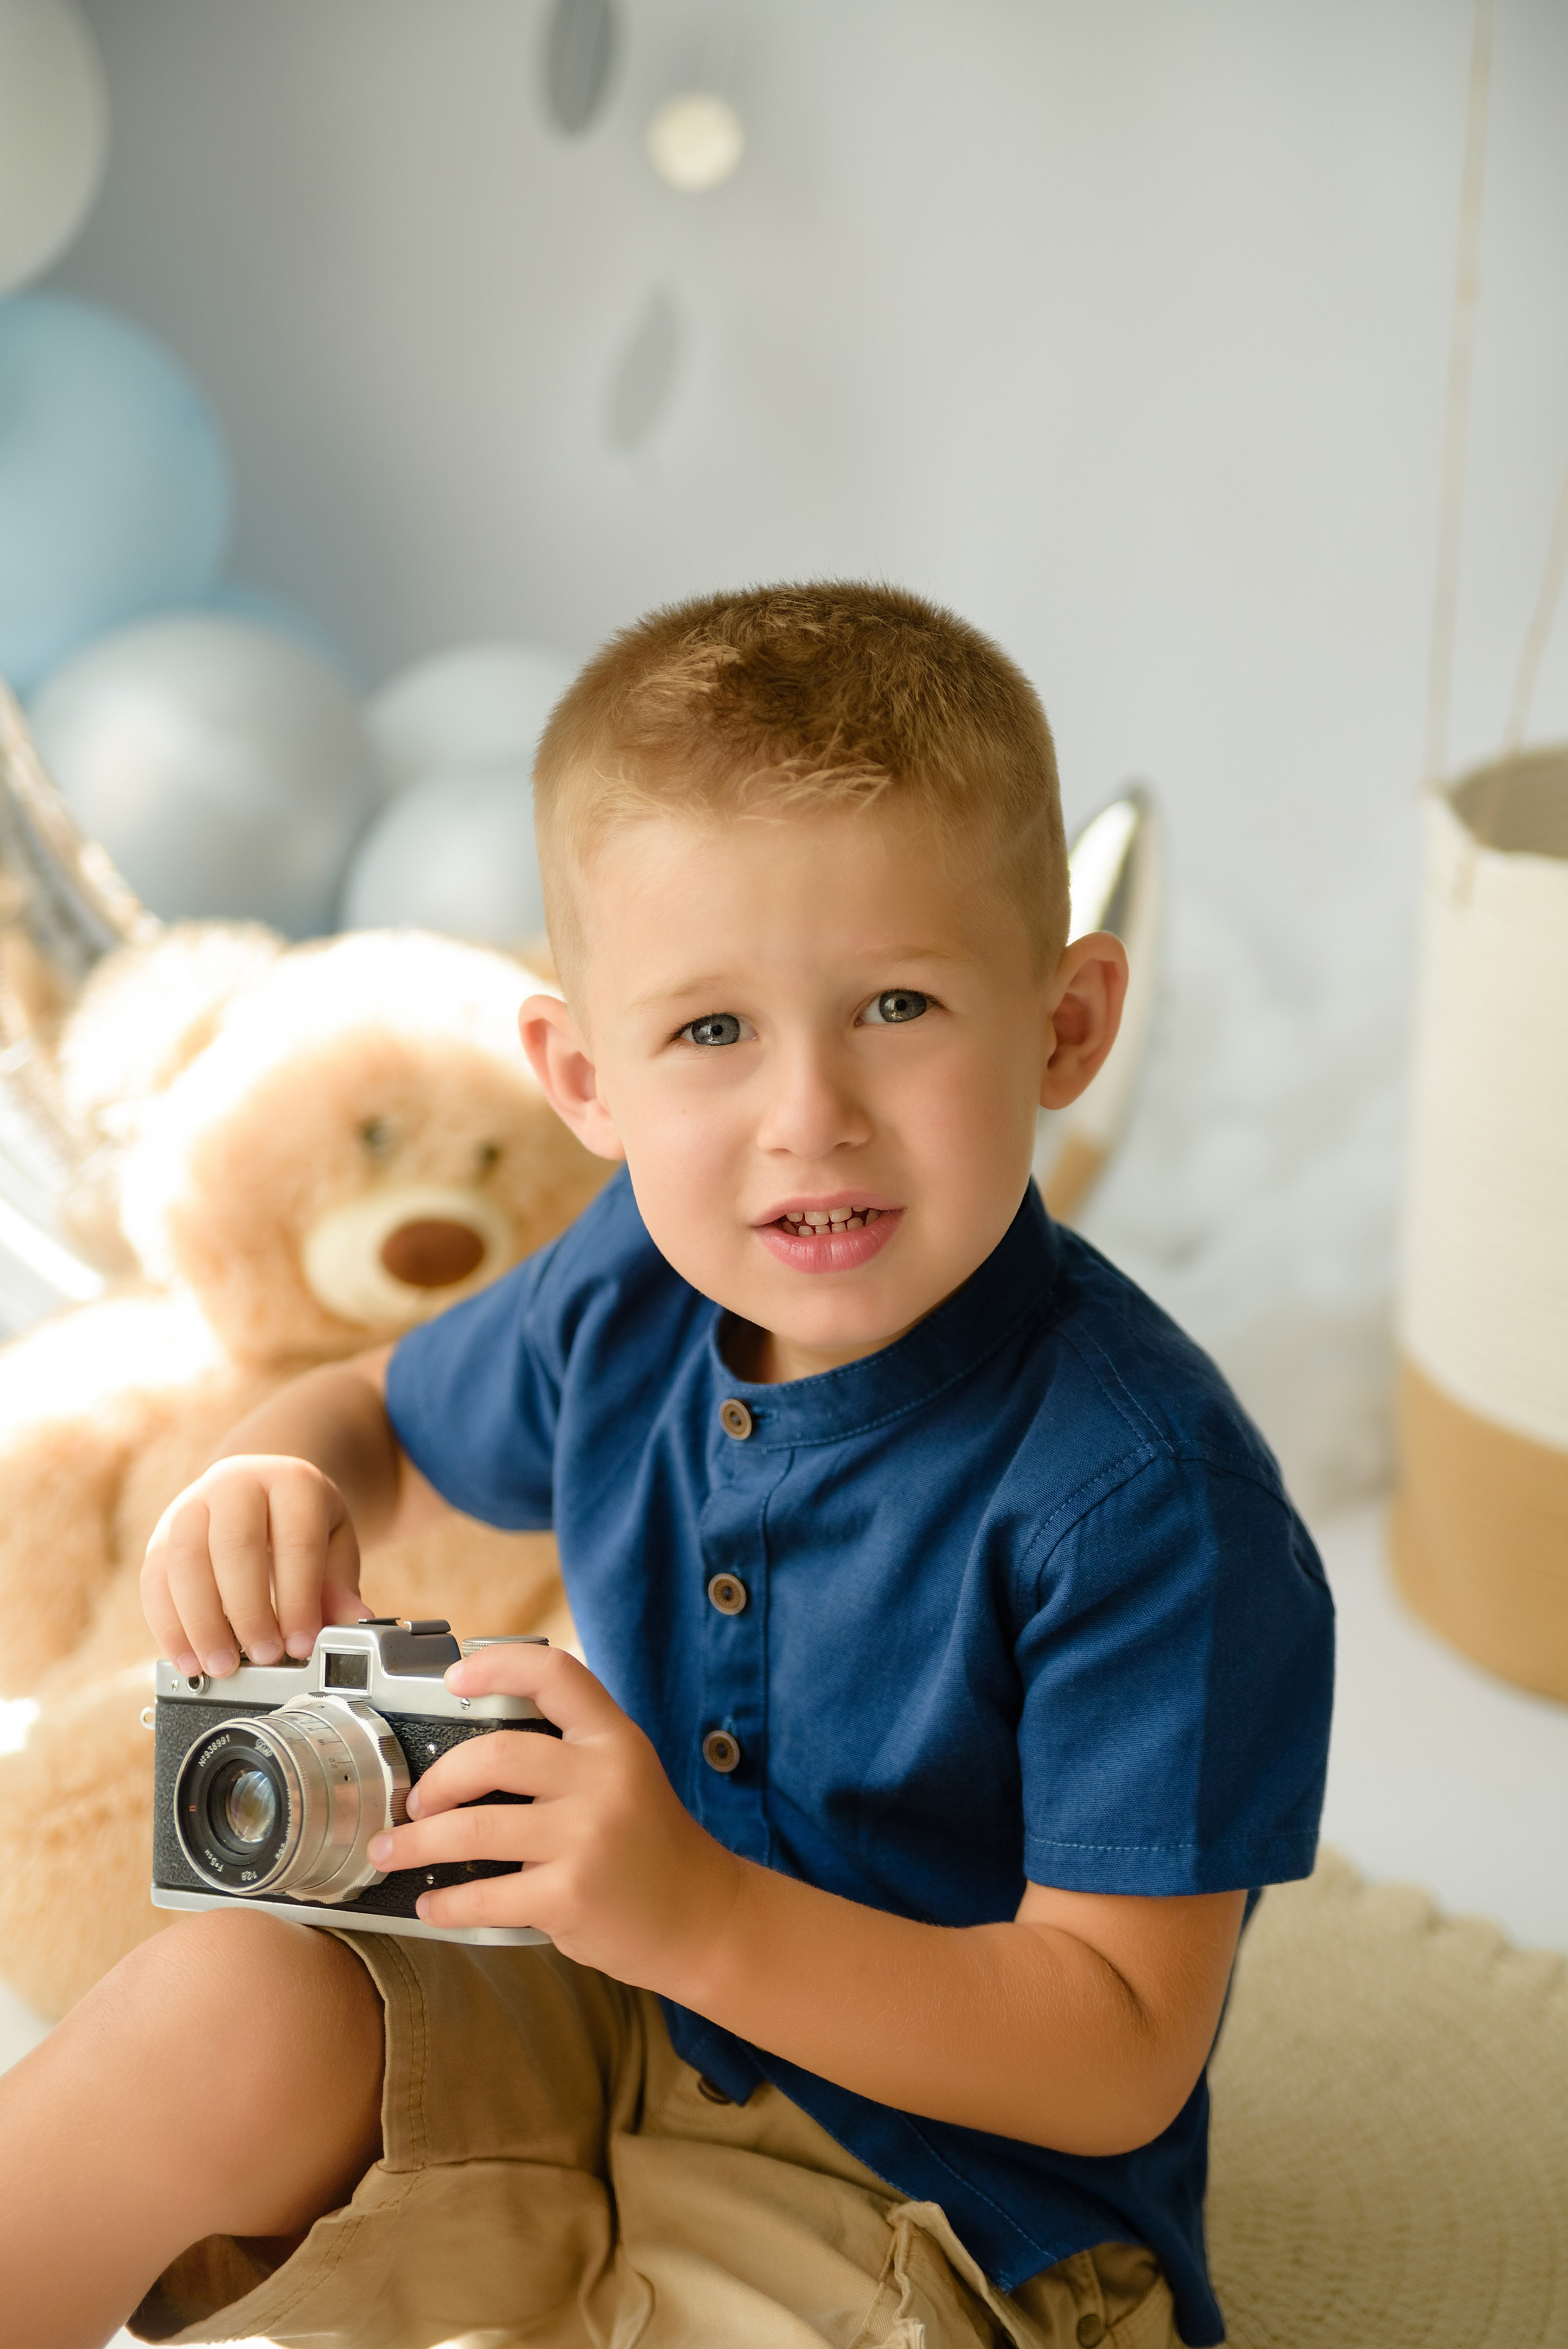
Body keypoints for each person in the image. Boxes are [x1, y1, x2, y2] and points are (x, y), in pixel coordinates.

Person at [0, 583, 1333, 2349]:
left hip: (950, 2207)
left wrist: (690, 1908)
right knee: (231, 2002)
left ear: (1068, 1022)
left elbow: (1113, 2048)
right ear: (583, 1073)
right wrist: (274, 1469)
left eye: (900, 1005)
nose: (810, 1113)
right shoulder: (629, 1276)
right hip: (615, 2001)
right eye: (712, 1030)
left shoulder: (1147, 1496)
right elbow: (379, 1414)